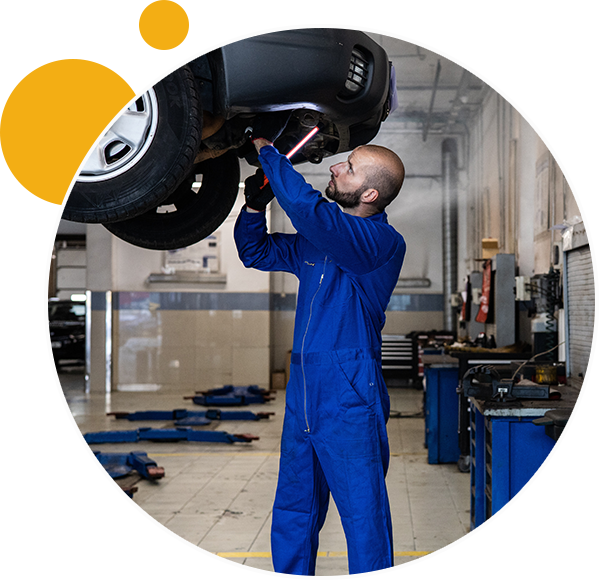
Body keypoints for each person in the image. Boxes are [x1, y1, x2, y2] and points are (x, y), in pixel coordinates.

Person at [234, 124, 406, 576]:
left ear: (370, 195)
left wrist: (269, 152)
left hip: (349, 394)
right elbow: (255, 251)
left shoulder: (380, 244)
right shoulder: (319, 241)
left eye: (348, 168)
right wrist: (254, 205)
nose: (335, 165)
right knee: (294, 508)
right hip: (304, 392)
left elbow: (310, 212)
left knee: (363, 515)